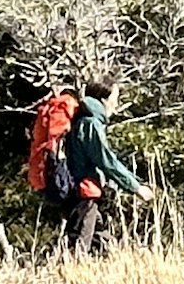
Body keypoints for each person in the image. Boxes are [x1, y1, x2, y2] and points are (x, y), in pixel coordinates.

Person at [57, 76, 142, 253]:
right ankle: (67, 278)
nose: (116, 104)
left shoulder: (83, 119)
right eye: (115, 99)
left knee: (107, 244)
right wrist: (135, 187)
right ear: (104, 100)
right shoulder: (90, 124)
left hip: (81, 192)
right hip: (83, 193)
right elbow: (106, 161)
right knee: (78, 250)